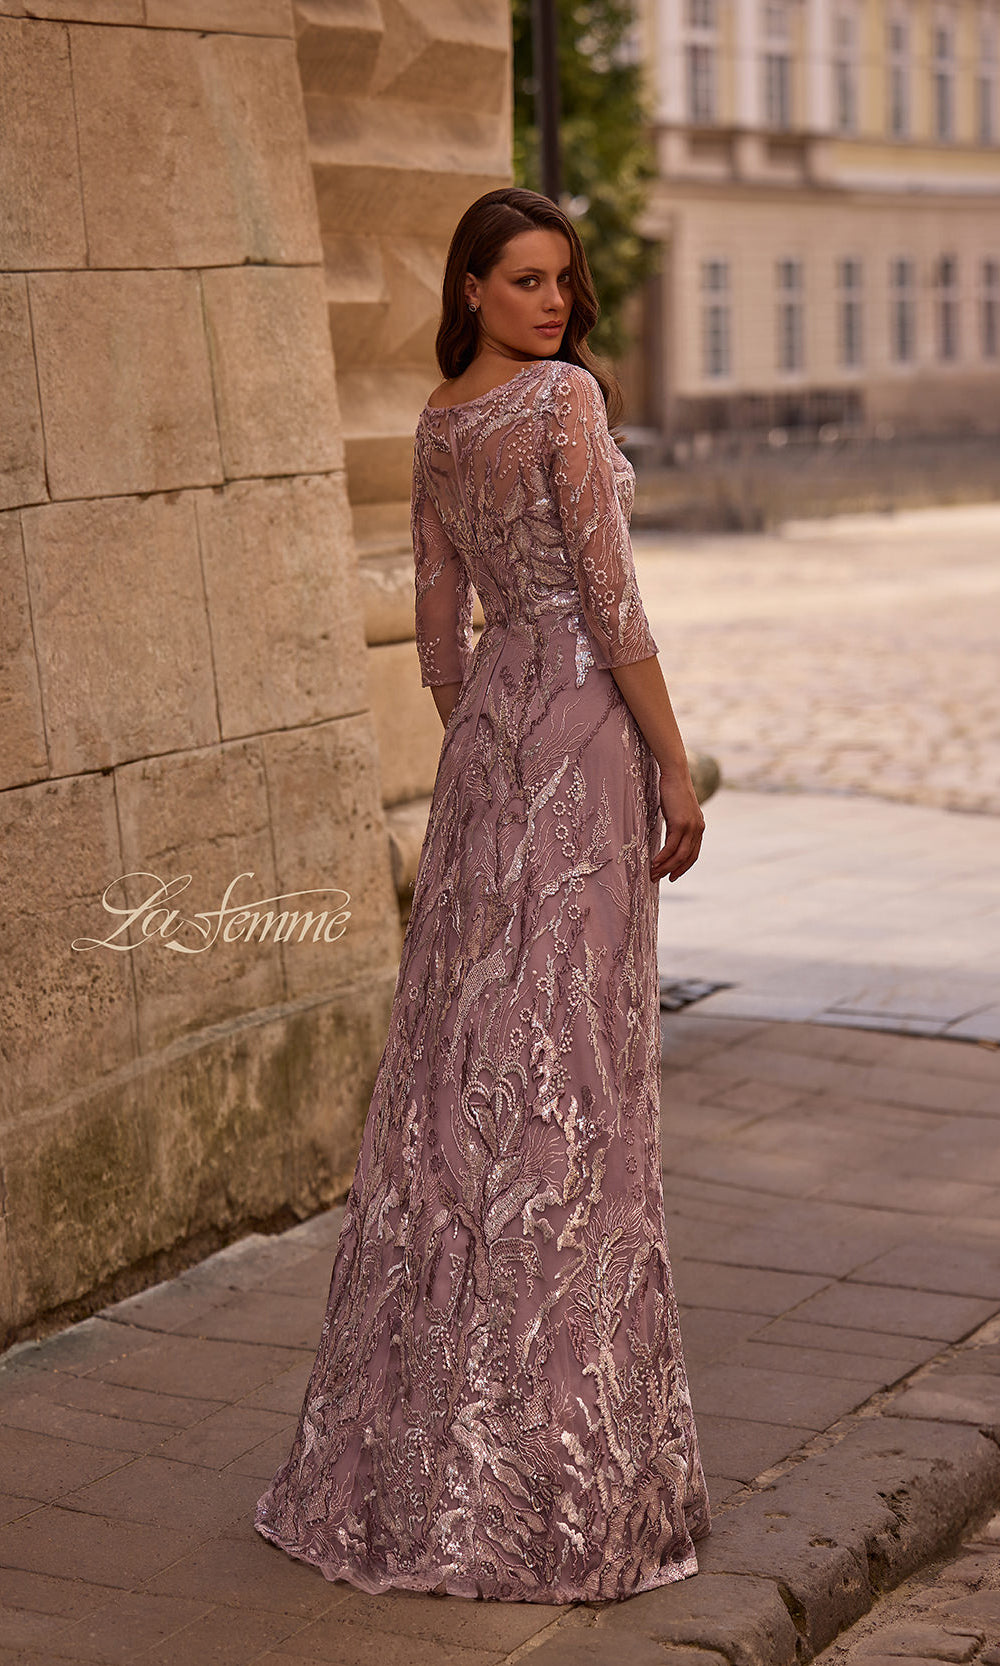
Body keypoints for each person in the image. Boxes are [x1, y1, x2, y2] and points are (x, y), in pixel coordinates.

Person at [254, 185, 711, 1605]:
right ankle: (549, 1471)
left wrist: (485, 752)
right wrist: (674, 767)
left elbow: (440, 632)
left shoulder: (441, 427)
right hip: (583, 729)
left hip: (497, 752)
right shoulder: (561, 404)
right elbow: (614, 595)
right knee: (572, 1077)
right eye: (523, 280)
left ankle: (421, 1452)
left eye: (563, 280)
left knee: (467, 1075)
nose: (555, 303)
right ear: (466, 288)